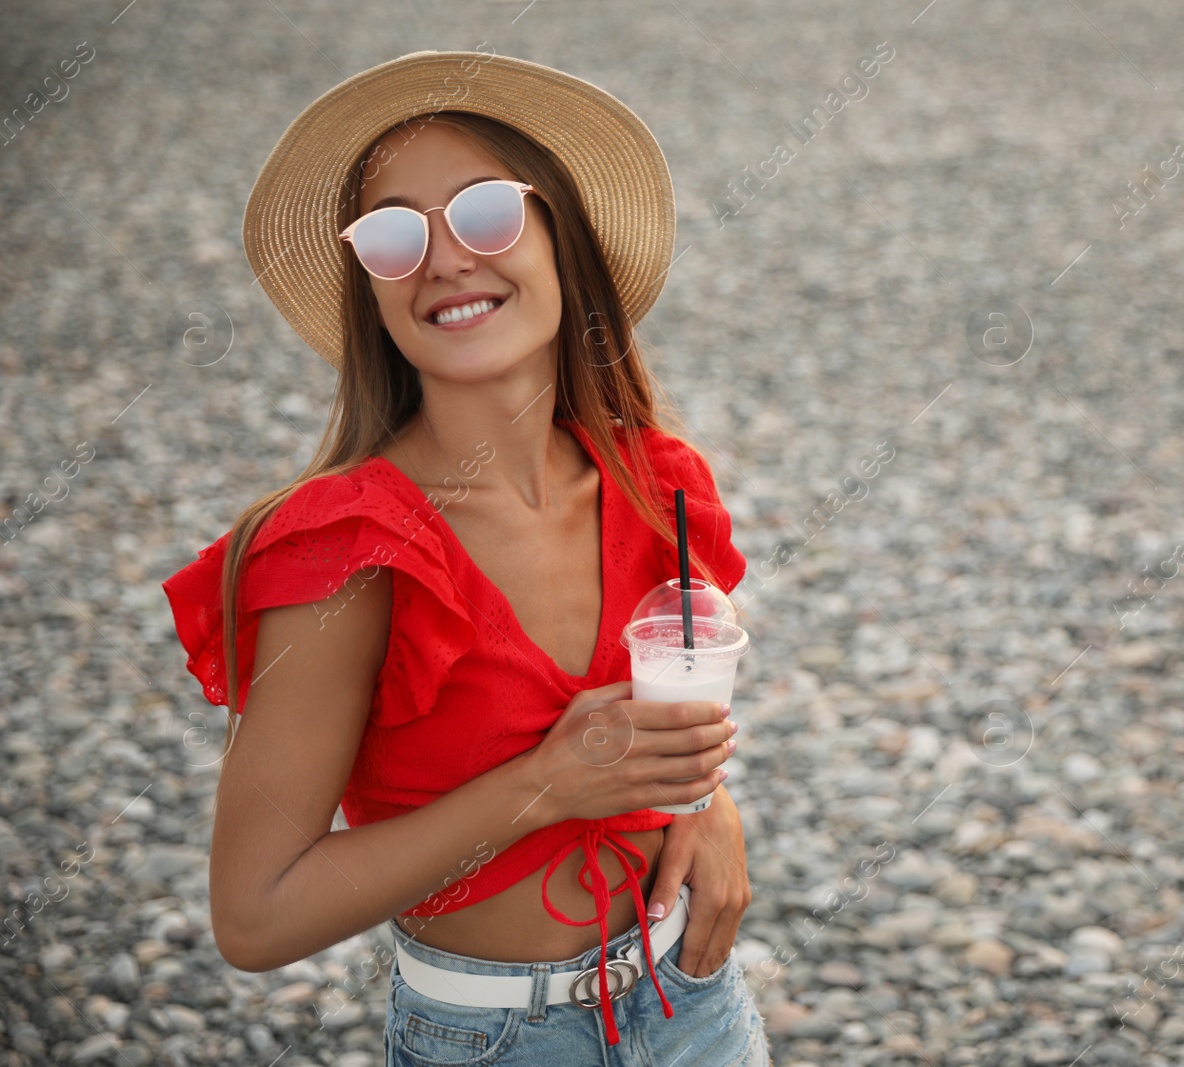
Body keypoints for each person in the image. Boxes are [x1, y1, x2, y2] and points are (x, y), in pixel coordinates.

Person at [161, 50, 771, 1065]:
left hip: (695, 1004)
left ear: (560, 241)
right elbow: (255, 916)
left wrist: (708, 806)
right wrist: (543, 783)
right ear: (371, 285)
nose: (444, 259)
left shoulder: (652, 483)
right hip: (491, 1034)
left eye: (486, 213)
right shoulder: (349, 551)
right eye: (394, 236)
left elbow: (669, 710)